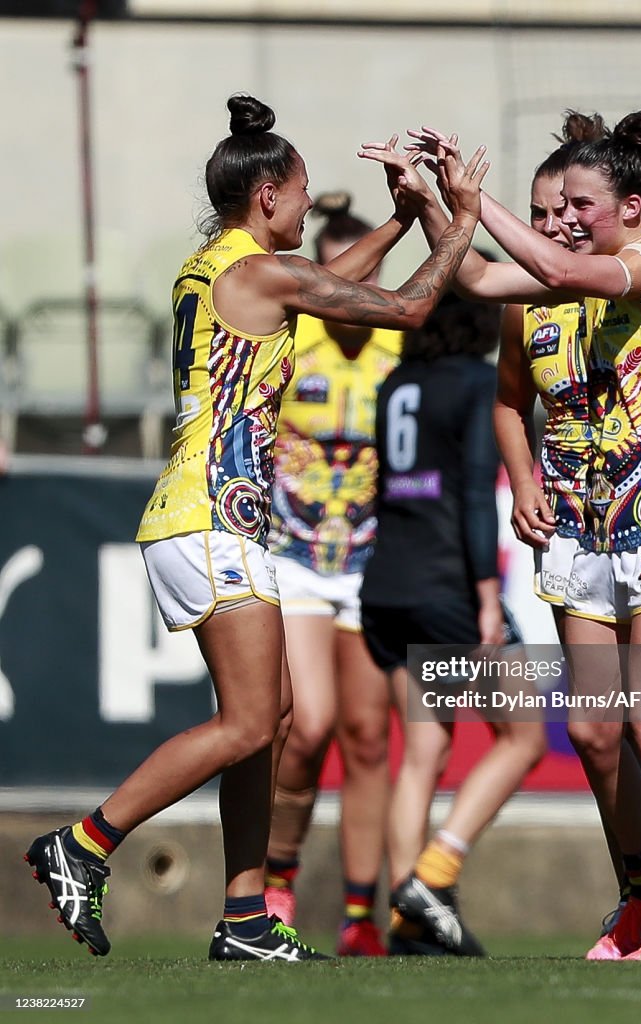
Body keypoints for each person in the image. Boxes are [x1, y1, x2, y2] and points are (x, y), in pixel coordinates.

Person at [23, 93, 487, 962]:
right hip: (210, 519)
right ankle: (84, 844)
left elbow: (332, 282)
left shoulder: (217, 266)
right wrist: (453, 220)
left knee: (268, 716)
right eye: (304, 192)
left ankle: (244, 919)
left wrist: (392, 222)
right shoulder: (261, 273)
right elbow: (408, 308)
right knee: (248, 724)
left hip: (199, 516)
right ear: (268, 193)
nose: (311, 206)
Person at [413, 111, 641, 960]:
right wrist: (430, 200)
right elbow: (478, 285)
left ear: (630, 208)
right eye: (550, 207)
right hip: (579, 529)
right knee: (598, 729)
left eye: (575, 204)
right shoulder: (548, 294)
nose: (559, 220)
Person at [359, 288, 546, 957]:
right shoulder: (474, 382)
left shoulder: (394, 383)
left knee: (423, 756)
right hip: (448, 590)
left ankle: (406, 922)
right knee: (523, 737)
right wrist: (488, 595)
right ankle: (432, 880)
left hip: (386, 587)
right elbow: (473, 493)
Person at [264, 191, 402, 957]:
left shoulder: (398, 348)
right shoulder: (293, 340)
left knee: (367, 736)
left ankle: (359, 914)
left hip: (374, 562)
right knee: (306, 723)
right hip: (296, 555)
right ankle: (276, 878)